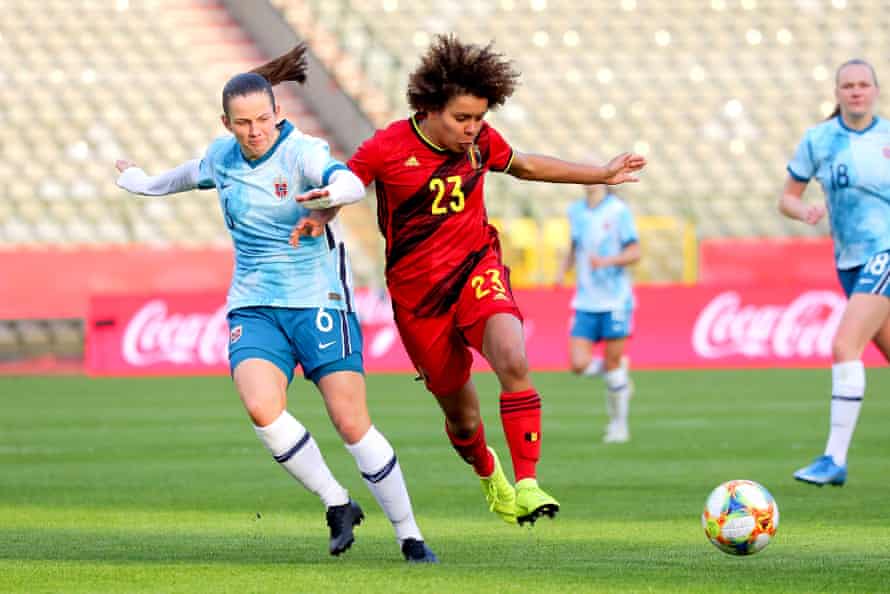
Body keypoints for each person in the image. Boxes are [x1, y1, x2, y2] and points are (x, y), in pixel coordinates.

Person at [258, 35, 644, 525]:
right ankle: (492, 478)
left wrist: (601, 175)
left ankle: (527, 482)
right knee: (462, 419)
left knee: (513, 355)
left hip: (475, 269)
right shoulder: (388, 147)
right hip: (419, 300)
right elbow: (349, 184)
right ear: (430, 108)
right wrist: (324, 213)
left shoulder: (481, 143)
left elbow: (522, 165)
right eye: (463, 118)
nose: (473, 128)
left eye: (480, 118)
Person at [114, 46, 436, 562]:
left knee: (352, 424)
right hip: (255, 303)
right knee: (263, 409)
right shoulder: (222, 157)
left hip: (318, 300)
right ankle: (337, 502)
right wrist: (137, 182)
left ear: (277, 114)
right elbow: (181, 175)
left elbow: (348, 181)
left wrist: (330, 195)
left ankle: (409, 534)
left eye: (263, 119)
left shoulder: (302, 151)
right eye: (242, 123)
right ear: (227, 123)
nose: (254, 131)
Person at [780, 58, 890, 487]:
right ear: (838, 93)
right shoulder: (819, 139)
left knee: (845, 345)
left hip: (885, 253)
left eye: (864, 84)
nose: (856, 91)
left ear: (876, 91)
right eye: (848, 85)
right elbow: (786, 197)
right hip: (849, 262)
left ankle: (834, 459)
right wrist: (803, 209)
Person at [556, 182, 640, 444]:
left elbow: (635, 252)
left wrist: (607, 261)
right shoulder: (576, 211)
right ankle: (615, 373)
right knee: (578, 364)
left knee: (613, 365)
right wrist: (563, 270)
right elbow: (575, 245)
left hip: (615, 300)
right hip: (585, 300)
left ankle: (619, 427)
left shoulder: (618, 211)